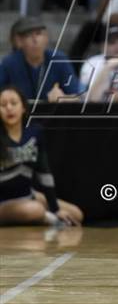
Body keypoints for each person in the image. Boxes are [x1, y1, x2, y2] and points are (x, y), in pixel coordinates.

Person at [0, 86, 83, 226]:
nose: (9, 108)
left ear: (23, 108)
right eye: (3, 105)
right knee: (36, 209)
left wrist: (55, 208)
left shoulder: (35, 133)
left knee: (76, 213)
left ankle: (51, 215)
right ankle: (53, 220)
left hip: (27, 195)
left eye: (14, 103)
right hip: (3, 202)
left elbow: (44, 172)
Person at [0, 17, 80, 101]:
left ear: (46, 38)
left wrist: (63, 98)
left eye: (38, 34)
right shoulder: (9, 63)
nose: (35, 40)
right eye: (28, 35)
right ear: (19, 41)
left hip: (52, 112)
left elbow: (76, 96)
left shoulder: (59, 59)